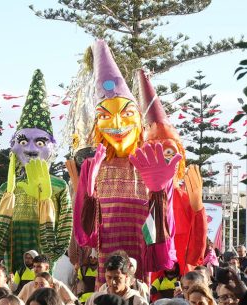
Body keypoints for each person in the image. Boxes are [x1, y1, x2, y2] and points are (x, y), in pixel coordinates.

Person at [72, 40, 180, 285]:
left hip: (139, 265)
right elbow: (85, 234)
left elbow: (161, 234)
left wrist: (158, 192)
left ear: (139, 120)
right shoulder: (94, 166)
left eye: (127, 114)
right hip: (104, 268)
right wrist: (86, 190)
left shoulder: (152, 165)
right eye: (104, 116)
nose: (117, 124)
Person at [0, 69, 73, 277]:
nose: (31, 148)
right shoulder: (6, 188)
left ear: (52, 148)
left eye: (40, 142)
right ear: (13, 146)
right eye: (23, 141)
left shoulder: (59, 187)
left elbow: (64, 229)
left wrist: (51, 253)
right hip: (11, 266)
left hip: (45, 269)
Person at [139, 69, 207, 276]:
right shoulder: (136, 197)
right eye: (153, 150)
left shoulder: (184, 198)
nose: (162, 160)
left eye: (168, 152)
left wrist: (198, 209)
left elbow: (196, 253)